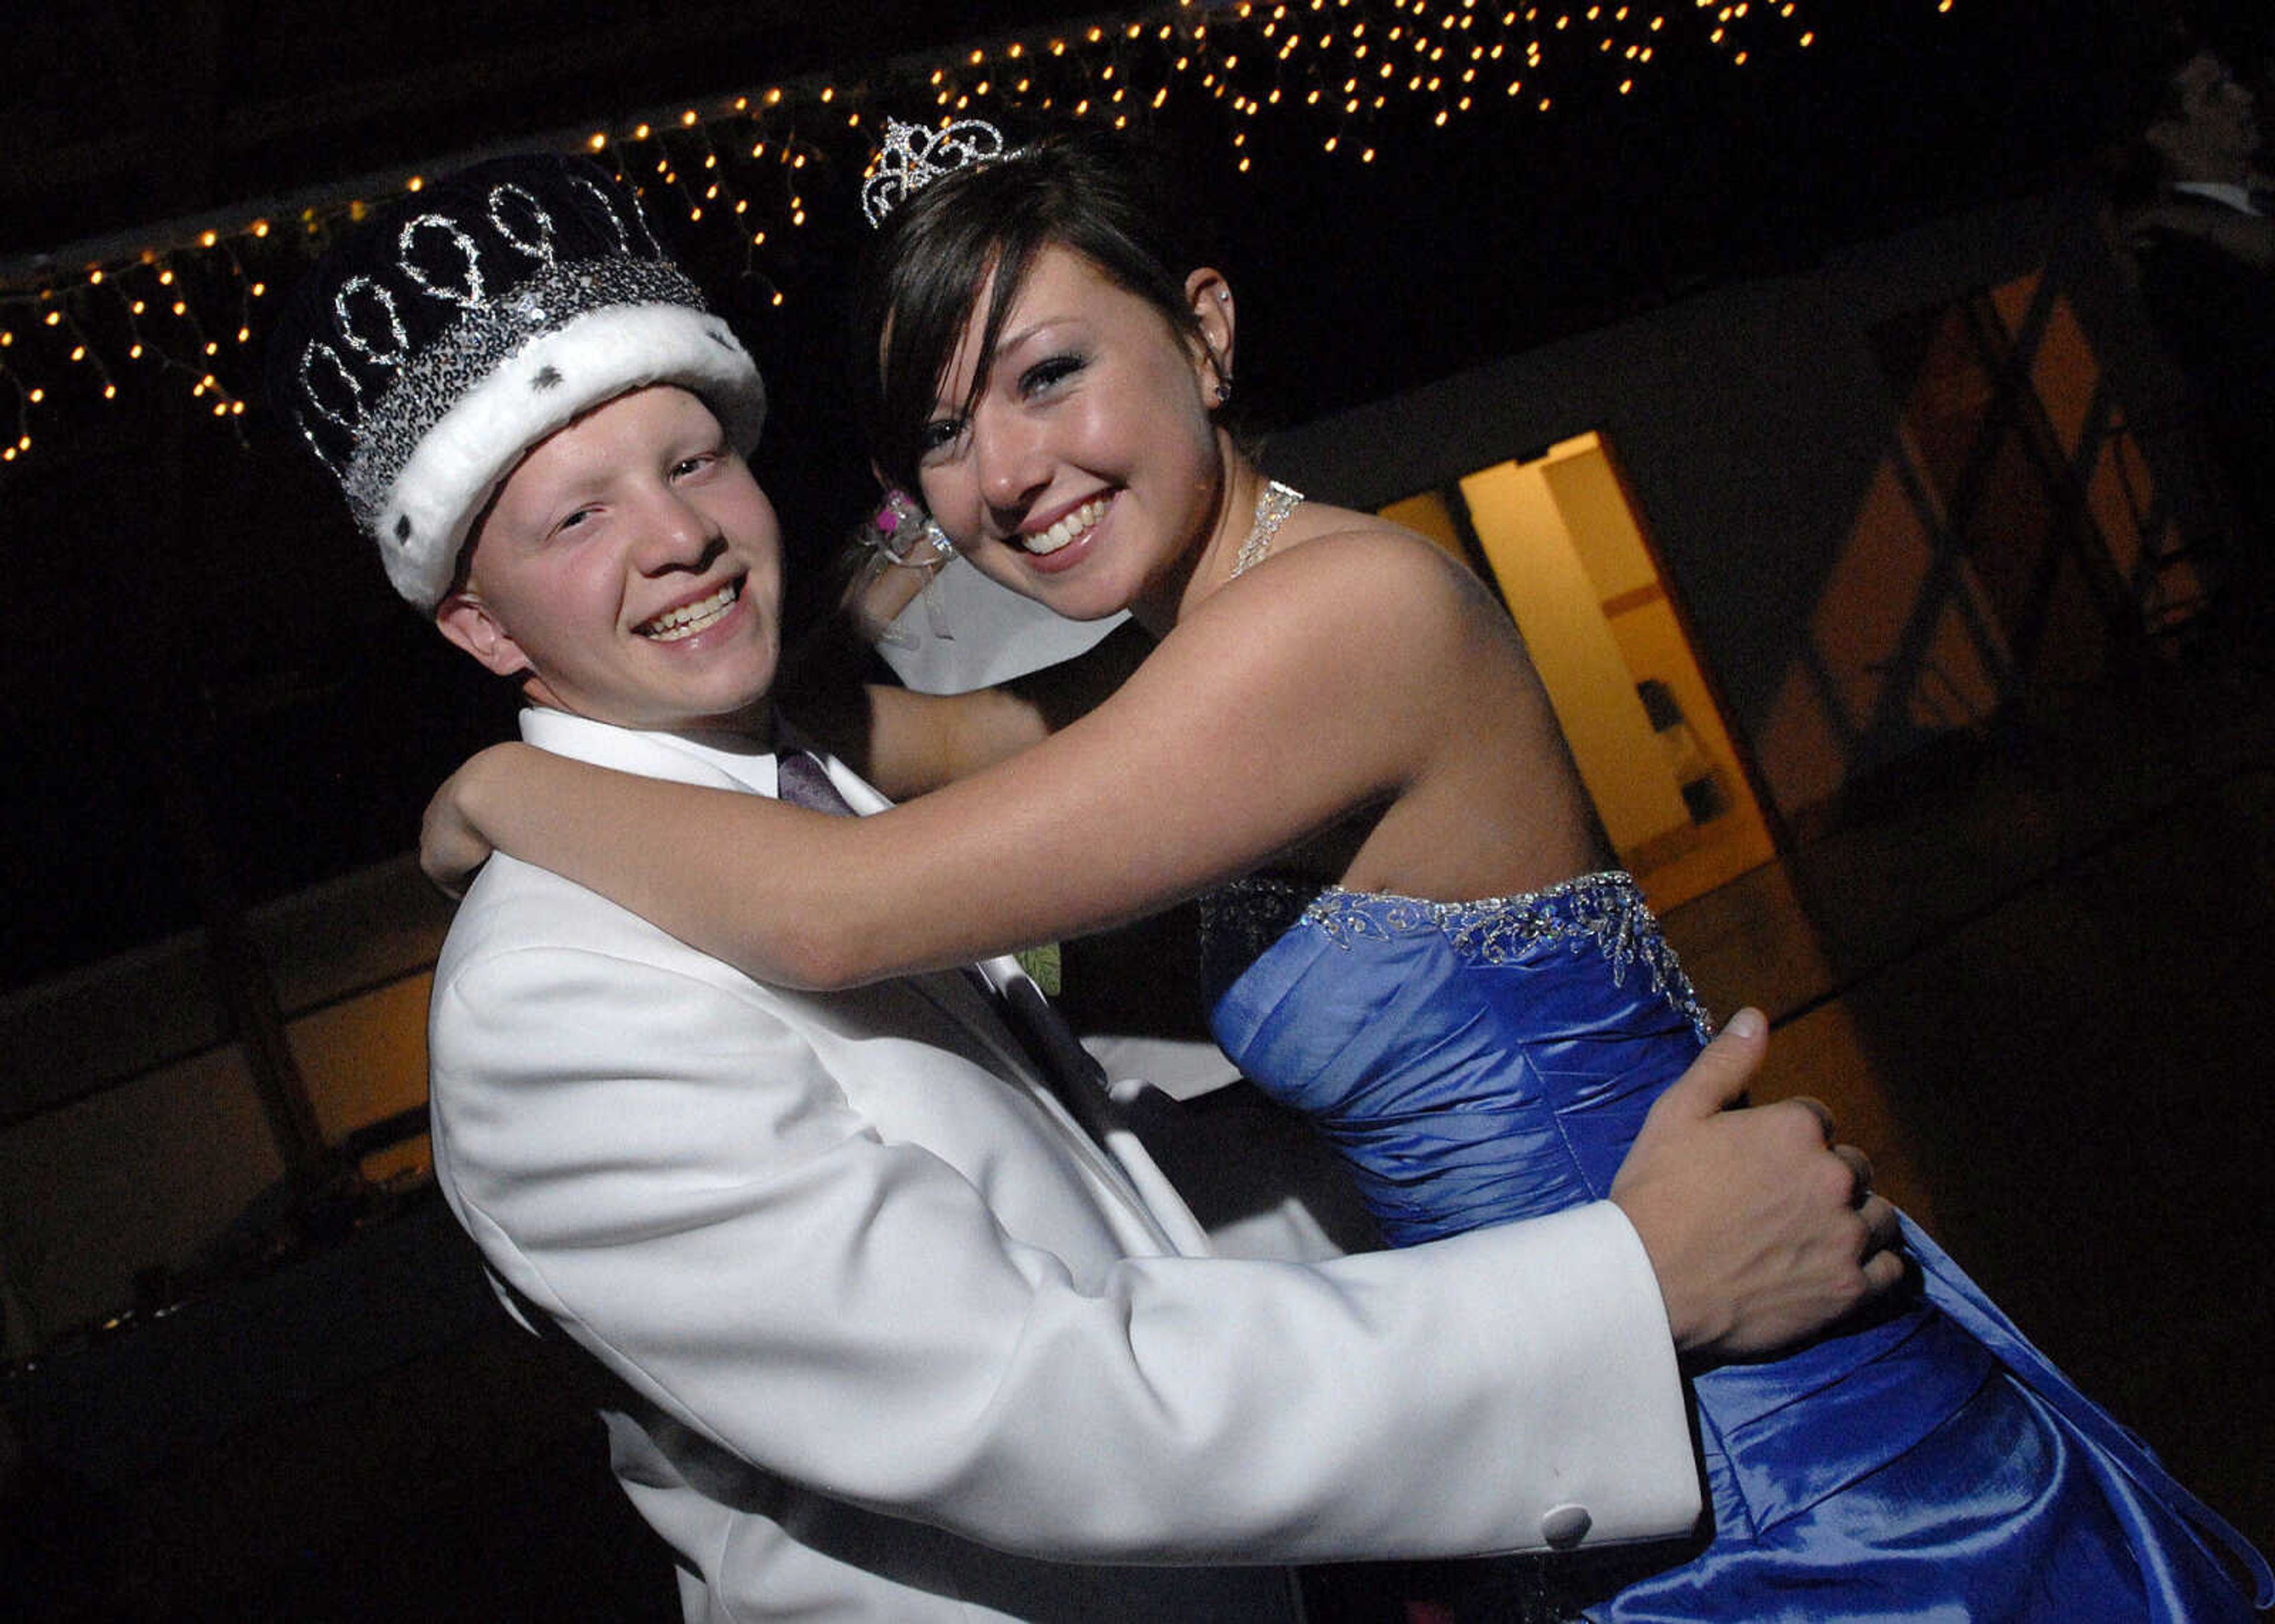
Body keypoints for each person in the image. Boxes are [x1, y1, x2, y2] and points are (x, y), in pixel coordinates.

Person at [424, 127, 2274, 1620]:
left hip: (1755, 1412)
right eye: (940, 428)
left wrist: (497, 792)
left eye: (1051, 375)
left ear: (1206, 331)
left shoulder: (1337, 623)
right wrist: (795, 538)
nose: (1008, 473)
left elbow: (838, 899)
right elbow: (851, 728)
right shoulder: (1181, 645)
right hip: (1605, 1388)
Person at [2119, 36, 2275, 624]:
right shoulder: (2178, 252)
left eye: (2233, 82)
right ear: (2166, 134)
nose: (2242, 98)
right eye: (2215, 93)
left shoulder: (2244, 203)